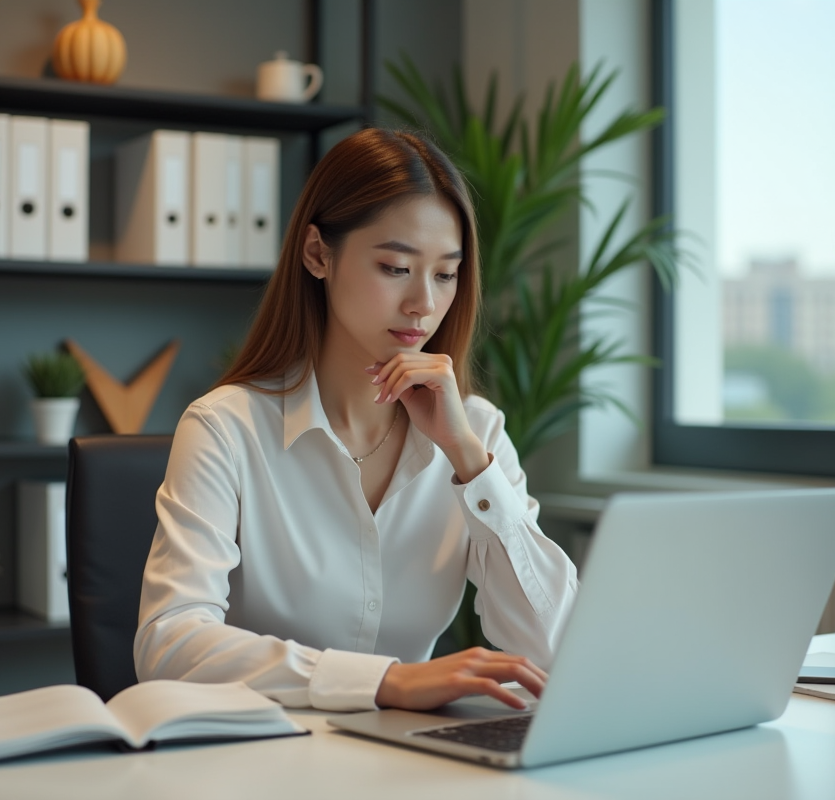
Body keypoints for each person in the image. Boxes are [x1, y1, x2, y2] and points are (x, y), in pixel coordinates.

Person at [134, 128, 579, 713]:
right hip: (258, 761)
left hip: (408, 763)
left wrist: (470, 461)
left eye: (446, 274)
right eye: (396, 267)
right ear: (319, 254)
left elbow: (551, 649)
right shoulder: (225, 428)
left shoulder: (476, 432)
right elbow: (169, 643)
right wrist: (382, 682)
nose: (423, 301)